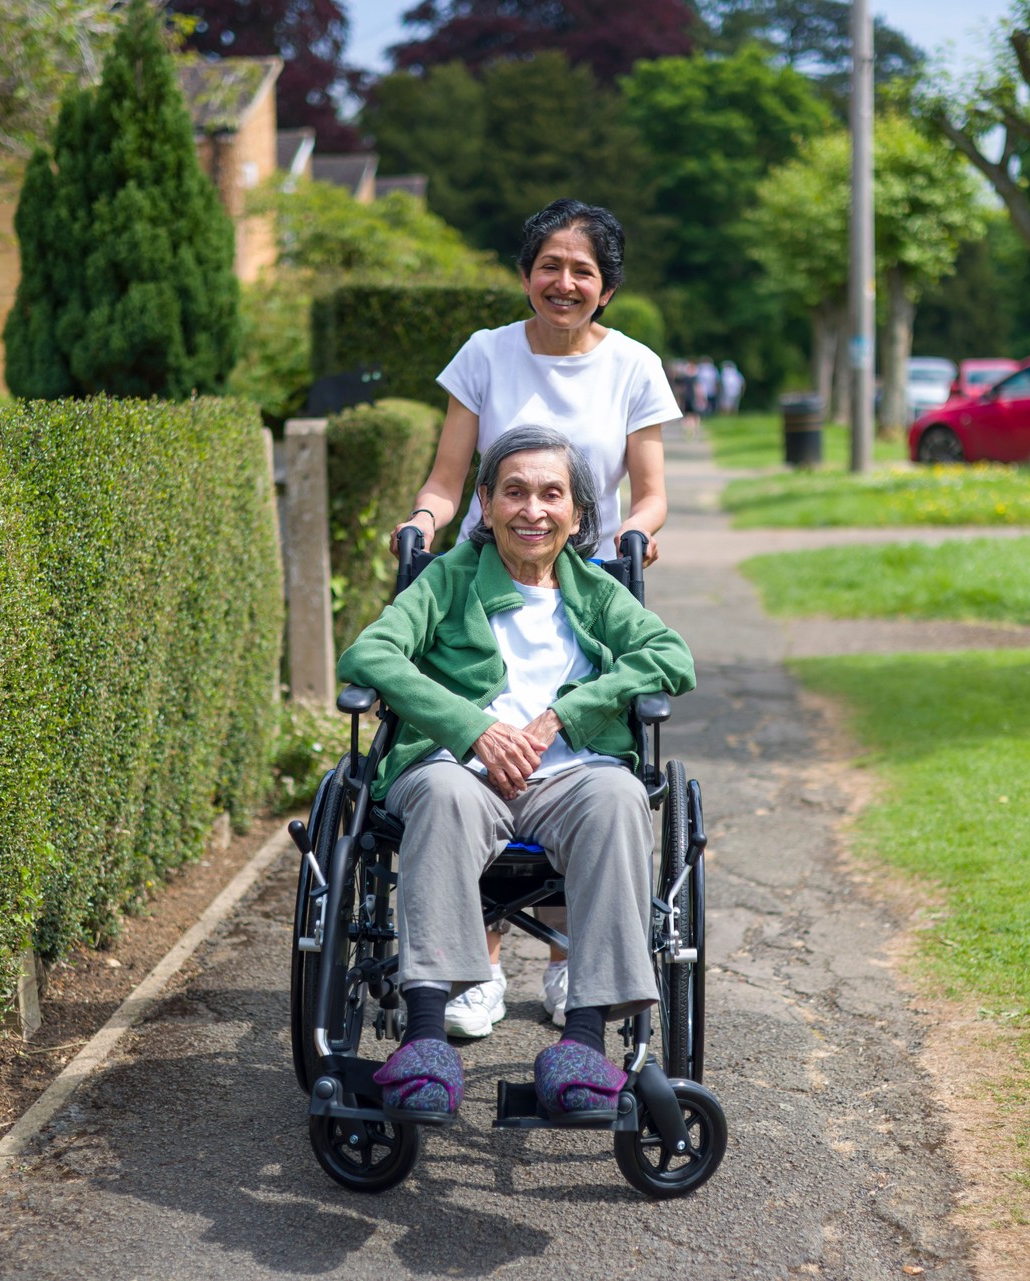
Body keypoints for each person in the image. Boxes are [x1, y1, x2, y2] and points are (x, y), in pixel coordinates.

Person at [339, 426, 696, 1122]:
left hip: (572, 778)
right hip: (458, 772)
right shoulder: (447, 578)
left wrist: (563, 714)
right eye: (515, 491)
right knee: (441, 791)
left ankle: (584, 1046)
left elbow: (671, 656)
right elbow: (370, 654)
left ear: (576, 513)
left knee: (620, 793)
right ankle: (423, 1041)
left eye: (551, 493)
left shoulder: (593, 589)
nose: (533, 509)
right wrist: (472, 729)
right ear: (485, 502)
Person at [391, 198, 681, 1039]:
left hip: (587, 579)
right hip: (482, 579)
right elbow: (449, 478)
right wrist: (423, 524)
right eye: (549, 265)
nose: (564, 282)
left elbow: (653, 491)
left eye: (582, 270)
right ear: (526, 274)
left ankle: (568, 962)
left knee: (573, 759)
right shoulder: (484, 354)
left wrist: (635, 531)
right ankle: (472, 964)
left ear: (608, 286)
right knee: (479, 746)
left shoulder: (633, 365)